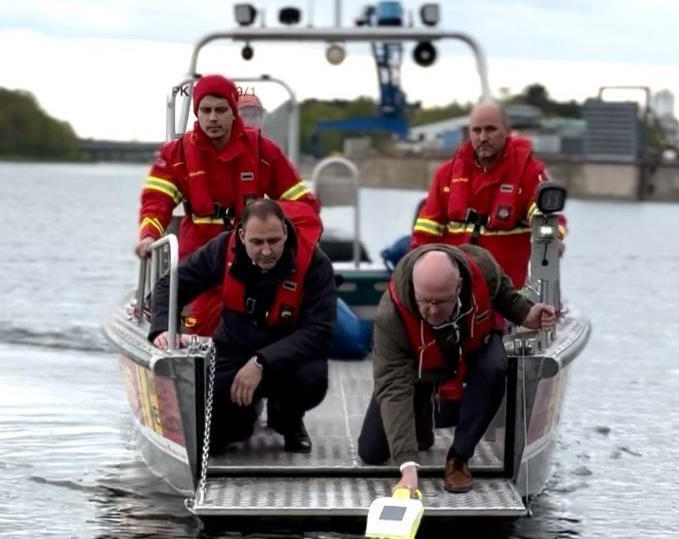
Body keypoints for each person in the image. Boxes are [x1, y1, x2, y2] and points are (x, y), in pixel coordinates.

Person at [357, 243, 557, 494]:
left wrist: (528, 314)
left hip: (471, 351)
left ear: (459, 287)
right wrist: (407, 467)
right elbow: (392, 384)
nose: (431, 310)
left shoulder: (483, 268)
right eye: (424, 302)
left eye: (440, 302)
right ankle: (422, 414)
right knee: (371, 451)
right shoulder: (391, 314)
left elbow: (507, 297)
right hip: (421, 368)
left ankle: (459, 457)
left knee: (494, 367)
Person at [136, 74, 320, 336]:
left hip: (253, 258)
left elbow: (302, 205)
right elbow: (157, 201)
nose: (213, 117)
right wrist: (148, 236)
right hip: (198, 260)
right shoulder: (176, 155)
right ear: (196, 113)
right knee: (198, 326)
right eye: (206, 110)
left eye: (221, 110)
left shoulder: (264, 152)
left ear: (234, 112)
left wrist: (273, 236)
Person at [149, 199, 336, 454]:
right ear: (242, 236)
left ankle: (288, 418)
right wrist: (162, 327)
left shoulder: (315, 262)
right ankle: (245, 414)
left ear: (284, 232)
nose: (267, 251)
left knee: (312, 378)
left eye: (273, 241)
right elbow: (169, 286)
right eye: (257, 242)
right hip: (233, 351)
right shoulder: (222, 249)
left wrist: (261, 362)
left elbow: (319, 332)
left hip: (287, 357)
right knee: (214, 441)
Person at [410, 101, 567, 289]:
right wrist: (416, 269)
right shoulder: (447, 174)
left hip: (508, 293)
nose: (483, 137)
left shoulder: (530, 172)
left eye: (490, 129)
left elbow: (546, 216)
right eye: (476, 131)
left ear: (507, 130)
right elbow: (426, 231)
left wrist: (552, 239)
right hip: (456, 290)